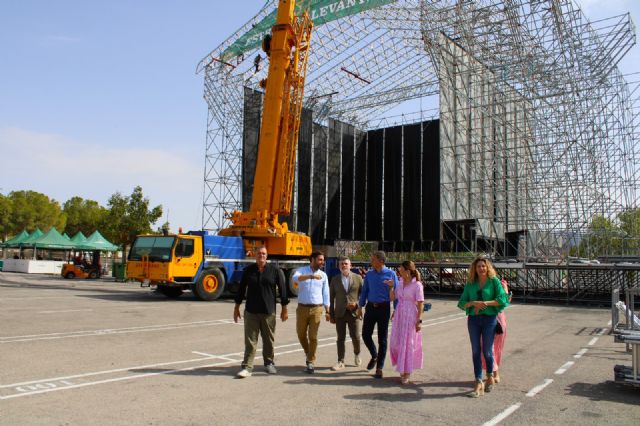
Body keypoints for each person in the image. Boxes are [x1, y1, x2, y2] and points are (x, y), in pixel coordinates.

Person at [233, 246, 289, 378]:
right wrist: (236, 307)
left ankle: (269, 363)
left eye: (263, 253)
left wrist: (284, 309)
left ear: (267, 256)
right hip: (251, 311)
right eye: (259, 253)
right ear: (255, 255)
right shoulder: (248, 271)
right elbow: (241, 290)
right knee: (250, 341)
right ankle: (247, 367)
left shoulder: (275, 270)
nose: (261, 256)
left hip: (268, 312)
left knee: (268, 340)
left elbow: (283, 290)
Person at [457, 256, 509, 397]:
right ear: (475, 268)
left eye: (483, 266)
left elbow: (502, 299)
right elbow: (461, 302)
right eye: (479, 266)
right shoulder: (470, 283)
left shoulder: (494, 282)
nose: (481, 268)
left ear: (488, 268)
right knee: (475, 351)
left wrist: (486, 303)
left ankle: (490, 376)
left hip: (489, 319)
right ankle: (478, 381)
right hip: (473, 320)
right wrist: (473, 303)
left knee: (487, 351)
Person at [357, 250, 398, 379]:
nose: (371, 261)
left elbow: (396, 293)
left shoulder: (391, 274)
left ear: (381, 261)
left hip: (384, 308)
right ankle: (374, 355)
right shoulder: (369, 275)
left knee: (382, 339)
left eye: (373, 259)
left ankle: (379, 368)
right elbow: (365, 291)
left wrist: (396, 310)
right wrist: (360, 306)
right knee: (365, 334)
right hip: (371, 307)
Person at [293, 251, 330, 374]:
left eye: (322, 260)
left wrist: (328, 310)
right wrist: (311, 276)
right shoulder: (302, 270)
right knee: (301, 334)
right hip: (302, 308)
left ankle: (310, 362)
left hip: (317, 309)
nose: (322, 262)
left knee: (313, 336)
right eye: (320, 260)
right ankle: (308, 352)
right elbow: (295, 279)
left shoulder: (324, 275)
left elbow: (326, 293)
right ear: (312, 260)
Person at [389, 260, 425, 384]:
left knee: (408, 343)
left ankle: (407, 372)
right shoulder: (400, 283)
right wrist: (391, 287)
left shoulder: (417, 285)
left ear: (408, 271)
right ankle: (401, 367)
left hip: (410, 315)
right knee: (396, 342)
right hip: (399, 314)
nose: (399, 272)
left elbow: (420, 303)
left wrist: (419, 320)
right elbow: (393, 298)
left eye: (401, 270)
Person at [329, 256, 363, 371]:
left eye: (346, 264)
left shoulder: (358, 278)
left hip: (353, 313)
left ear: (350, 266)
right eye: (341, 264)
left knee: (356, 337)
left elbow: (364, 295)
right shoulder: (335, 279)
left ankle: (357, 353)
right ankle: (340, 361)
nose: (344, 266)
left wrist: (357, 304)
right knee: (340, 338)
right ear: (339, 266)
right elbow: (331, 298)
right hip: (340, 313)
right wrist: (331, 315)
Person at [481, 278, 512, 384]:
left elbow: (506, 301)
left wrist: (505, 289)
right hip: (490, 318)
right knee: (490, 348)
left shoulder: (497, 284)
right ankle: (491, 374)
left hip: (496, 319)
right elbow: (507, 300)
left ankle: (494, 373)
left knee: (491, 348)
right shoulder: (486, 284)